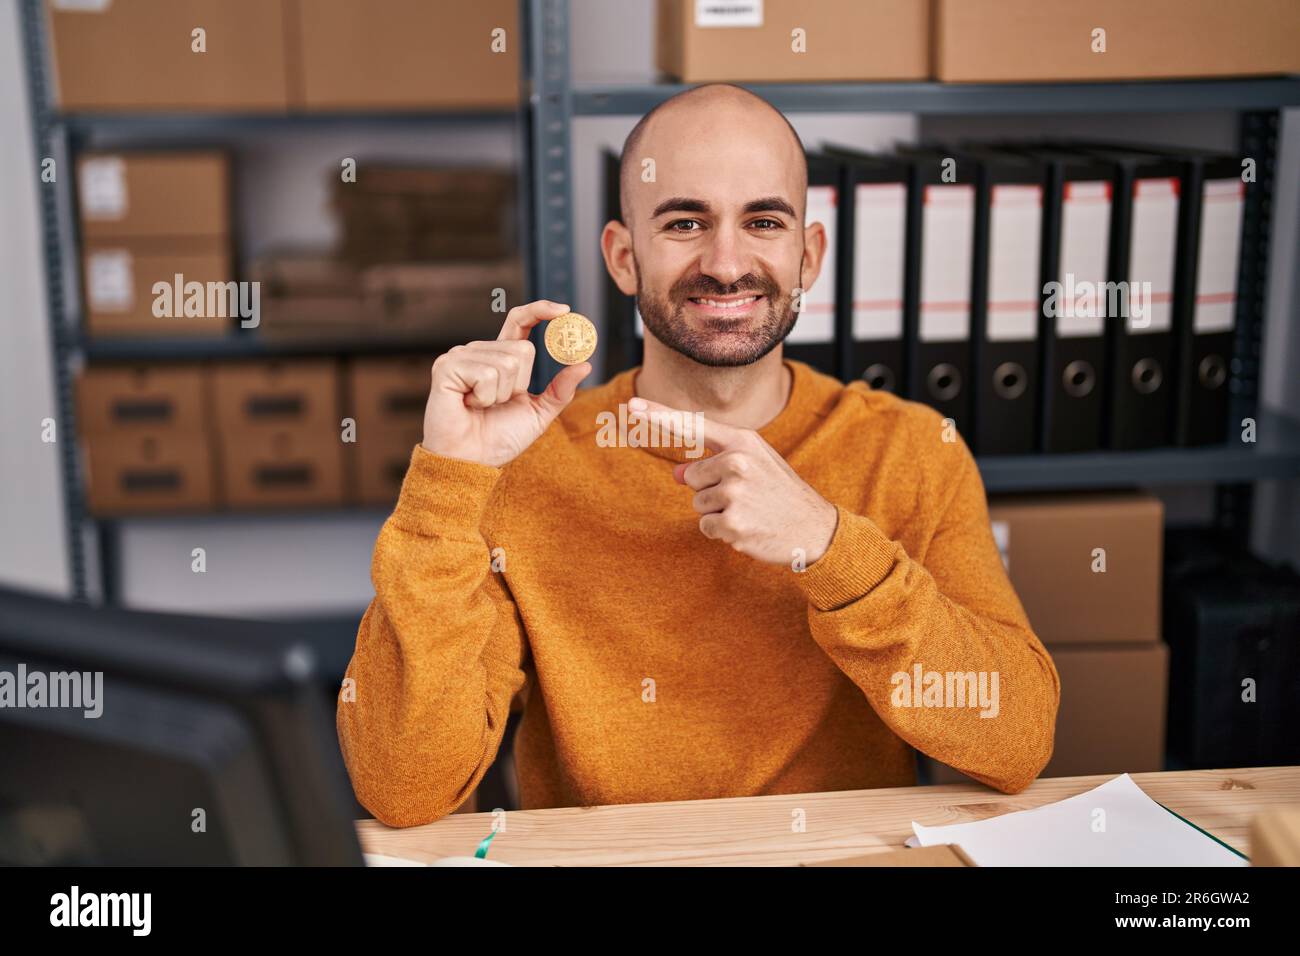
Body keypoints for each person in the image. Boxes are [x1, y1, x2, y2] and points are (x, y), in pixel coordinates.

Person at [337, 84, 1060, 828]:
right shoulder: (521, 467)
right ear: (624, 258)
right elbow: (403, 786)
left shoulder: (911, 450)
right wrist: (447, 484)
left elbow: (1016, 741)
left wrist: (828, 545)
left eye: (763, 221)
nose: (725, 263)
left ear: (807, 256)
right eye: (685, 221)